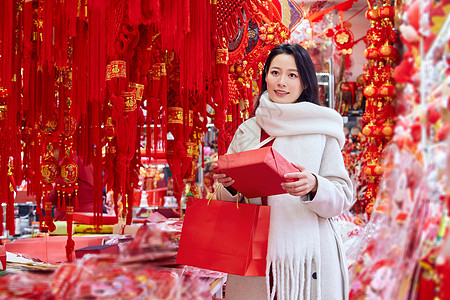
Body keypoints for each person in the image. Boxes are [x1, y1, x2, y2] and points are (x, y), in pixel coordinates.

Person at [211, 43, 353, 300]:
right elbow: (223, 200)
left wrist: (313, 186)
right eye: (275, 72)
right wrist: (229, 185)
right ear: (265, 76)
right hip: (254, 257)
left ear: (305, 83)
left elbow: (342, 196)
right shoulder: (248, 130)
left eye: (292, 75)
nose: (282, 82)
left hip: (307, 262)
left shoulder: (321, 129)